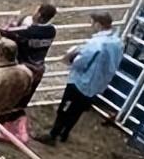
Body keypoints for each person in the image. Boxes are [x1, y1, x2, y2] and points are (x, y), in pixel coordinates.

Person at [37, 13, 124, 146]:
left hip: (82, 81)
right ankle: (65, 133)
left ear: (98, 24)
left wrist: (71, 57)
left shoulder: (96, 43)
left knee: (65, 108)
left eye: (92, 22)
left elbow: (80, 62)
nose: (91, 25)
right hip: (97, 84)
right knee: (77, 111)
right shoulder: (117, 42)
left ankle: (53, 134)